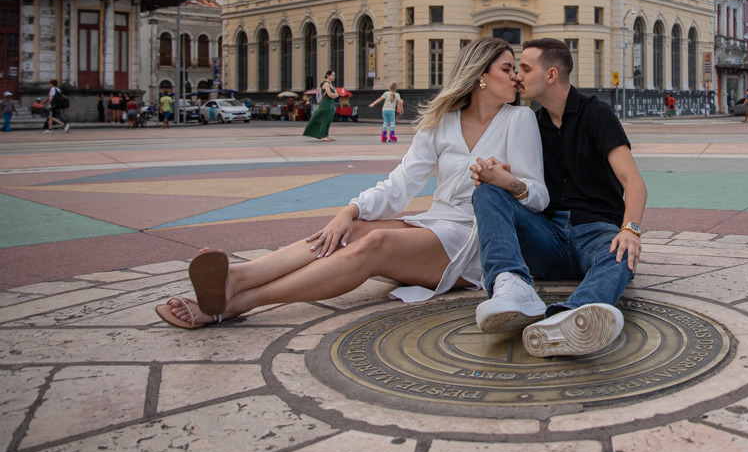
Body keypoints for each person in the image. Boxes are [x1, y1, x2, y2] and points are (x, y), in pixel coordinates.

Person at [156, 37, 546, 329]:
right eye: (508, 68)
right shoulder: (442, 122)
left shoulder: (519, 120)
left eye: (516, 69)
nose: (516, 77)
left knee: (374, 243)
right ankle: (236, 278)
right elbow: (401, 183)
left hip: (479, 239)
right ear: (480, 76)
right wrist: (351, 210)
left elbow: (539, 198)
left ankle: (238, 303)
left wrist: (506, 181)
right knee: (353, 230)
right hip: (437, 225)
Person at [470, 38, 646, 359]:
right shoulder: (531, 124)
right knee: (486, 192)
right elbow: (524, 190)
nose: (517, 76)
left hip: (596, 234)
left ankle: (569, 318)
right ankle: (511, 290)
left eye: (525, 68)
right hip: (546, 236)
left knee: (621, 254)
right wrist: (504, 181)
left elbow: (633, 182)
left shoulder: (597, 114)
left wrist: (630, 229)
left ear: (551, 75)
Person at [303, 70, 339, 141]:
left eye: (334, 75)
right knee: (325, 119)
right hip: (326, 104)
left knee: (329, 119)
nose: (333, 77)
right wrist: (334, 95)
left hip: (331, 104)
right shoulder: (326, 84)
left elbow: (336, 94)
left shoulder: (331, 85)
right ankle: (323, 136)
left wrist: (334, 95)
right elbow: (330, 94)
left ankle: (326, 135)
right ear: (328, 75)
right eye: (332, 75)